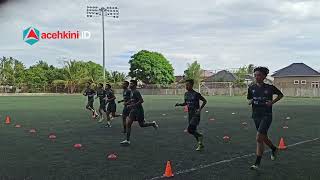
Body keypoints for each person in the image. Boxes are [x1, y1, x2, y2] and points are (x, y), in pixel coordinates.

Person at [247, 67, 284, 170]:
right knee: (263, 137)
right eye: (255, 75)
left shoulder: (270, 87)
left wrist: (272, 102)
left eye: (258, 75)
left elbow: (281, 95)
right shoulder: (251, 88)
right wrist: (250, 101)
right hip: (256, 115)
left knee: (259, 138)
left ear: (264, 76)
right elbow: (249, 98)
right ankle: (274, 149)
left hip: (266, 115)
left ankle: (257, 163)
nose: (256, 77)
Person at [120, 80, 158, 145]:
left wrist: (132, 105)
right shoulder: (131, 92)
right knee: (128, 124)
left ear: (134, 85)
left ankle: (152, 123)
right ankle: (127, 140)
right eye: (130, 83)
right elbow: (132, 99)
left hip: (139, 110)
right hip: (133, 111)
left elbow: (141, 101)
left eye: (131, 84)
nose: (130, 85)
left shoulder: (136, 92)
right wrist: (127, 103)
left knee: (142, 125)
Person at [175, 79, 207, 151]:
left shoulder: (196, 94)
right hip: (190, 114)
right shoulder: (186, 94)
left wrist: (200, 109)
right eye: (186, 85)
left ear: (192, 85)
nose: (186, 86)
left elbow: (205, 101)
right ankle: (200, 144)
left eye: (188, 85)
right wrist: (179, 104)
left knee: (190, 129)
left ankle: (200, 136)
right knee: (193, 130)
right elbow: (185, 103)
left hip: (196, 114)